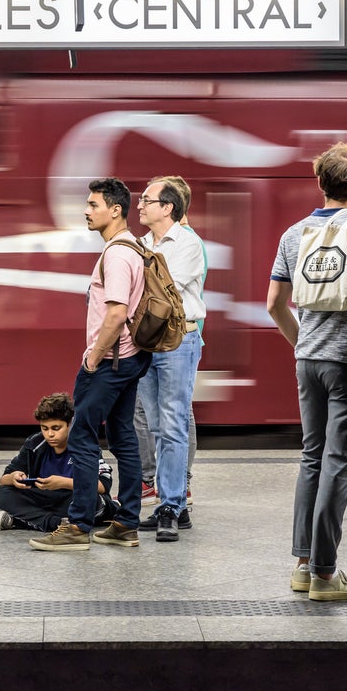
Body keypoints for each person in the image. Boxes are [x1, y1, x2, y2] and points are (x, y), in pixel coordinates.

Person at [267, 142, 347, 600]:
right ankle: (325, 573)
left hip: (310, 360)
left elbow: (274, 305)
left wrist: (302, 341)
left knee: (311, 457)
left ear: (320, 183)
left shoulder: (293, 234)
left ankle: (304, 564)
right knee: (338, 462)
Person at [29, 177, 152, 551]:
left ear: (115, 210)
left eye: (93, 204)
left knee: (82, 436)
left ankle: (78, 525)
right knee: (123, 437)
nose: (86, 210)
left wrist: (94, 356)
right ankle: (126, 522)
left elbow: (115, 314)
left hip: (112, 361)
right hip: (132, 358)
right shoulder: (136, 248)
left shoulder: (116, 253)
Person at [135, 176, 205, 541]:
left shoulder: (188, 243)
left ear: (167, 207)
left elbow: (162, 290)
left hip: (179, 340)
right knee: (158, 427)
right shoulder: (141, 243)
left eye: (147, 200)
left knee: (174, 423)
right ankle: (170, 503)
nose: (140, 206)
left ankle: (172, 505)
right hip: (148, 342)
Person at [0, 393, 116, 534]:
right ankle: (55, 523)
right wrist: (13, 477)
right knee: (0, 493)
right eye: (45, 428)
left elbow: (103, 485)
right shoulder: (34, 443)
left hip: (72, 497)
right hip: (44, 497)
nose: (50, 434)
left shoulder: (84, 444)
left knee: (92, 501)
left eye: (56, 428)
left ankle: (22, 520)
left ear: (69, 424)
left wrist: (63, 483)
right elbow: (4, 479)